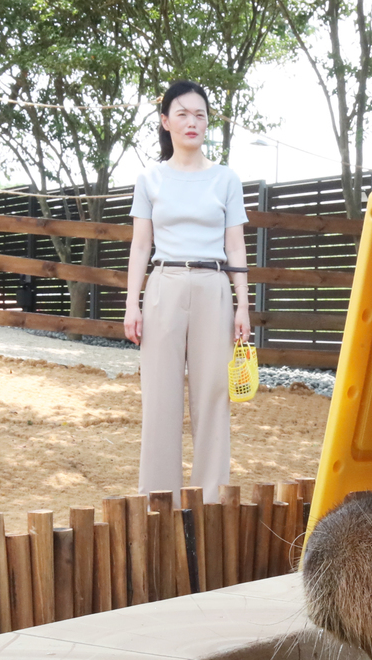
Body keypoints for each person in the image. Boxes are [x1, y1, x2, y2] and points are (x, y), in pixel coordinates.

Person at [124, 80, 252, 495]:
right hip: (164, 285)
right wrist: (132, 304)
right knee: (159, 398)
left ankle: (210, 504)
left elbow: (235, 245)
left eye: (199, 114)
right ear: (165, 122)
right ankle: (157, 503)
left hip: (214, 286)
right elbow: (141, 245)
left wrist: (242, 307)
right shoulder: (149, 179)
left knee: (213, 396)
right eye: (182, 113)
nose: (191, 122)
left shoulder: (226, 179)